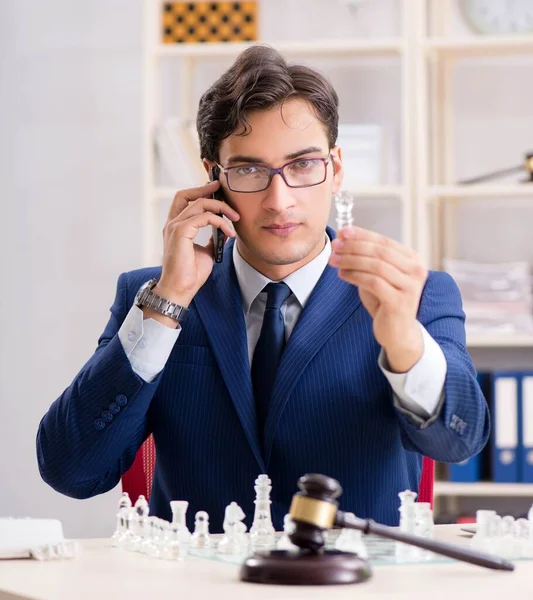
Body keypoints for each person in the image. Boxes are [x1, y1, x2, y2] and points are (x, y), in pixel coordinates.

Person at [36, 45, 490, 533]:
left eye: (302, 165)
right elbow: (72, 470)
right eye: (250, 171)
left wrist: (403, 341)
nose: (280, 200)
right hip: (198, 581)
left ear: (335, 169)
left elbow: (459, 443)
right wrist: (167, 305)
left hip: (352, 582)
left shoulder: (416, 294)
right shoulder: (151, 296)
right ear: (214, 181)